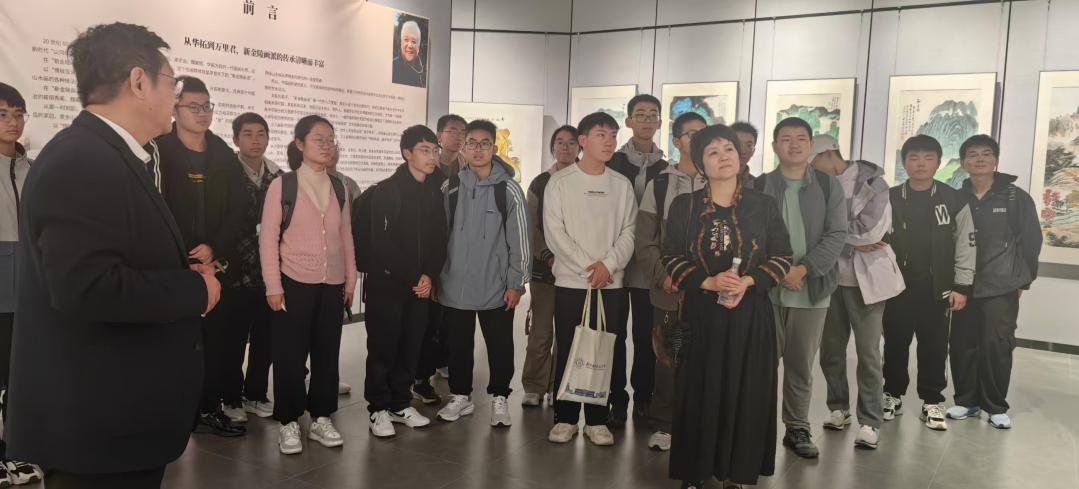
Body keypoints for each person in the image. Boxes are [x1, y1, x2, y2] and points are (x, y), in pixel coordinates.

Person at [6, 22, 220, 488]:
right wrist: (195, 289)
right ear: (139, 81)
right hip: (98, 430)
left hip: (116, 419)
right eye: (172, 83)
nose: (175, 98)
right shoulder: (83, 160)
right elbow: (87, 288)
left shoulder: (107, 154)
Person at [663, 124, 792, 489]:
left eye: (729, 150)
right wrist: (707, 282)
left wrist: (747, 282)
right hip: (702, 315)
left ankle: (735, 472)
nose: (723, 157)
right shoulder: (685, 205)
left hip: (750, 316)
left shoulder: (763, 205)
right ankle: (695, 472)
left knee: (746, 390)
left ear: (740, 156)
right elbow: (670, 255)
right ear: (700, 164)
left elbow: (783, 256)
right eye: (713, 152)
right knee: (699, 391)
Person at [155, 75, 250, 436]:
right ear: (175, 109)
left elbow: (239, 208)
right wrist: (184, 252)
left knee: (216, 340)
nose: (202, 113)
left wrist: (214, 248)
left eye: (206, 106)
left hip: (216, 264)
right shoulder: (158, 151)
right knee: (173, 340)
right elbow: (153, 207)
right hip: (172, 263)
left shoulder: (223, 154)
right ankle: (173, 411)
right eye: (193, 106)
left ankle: (209, 407)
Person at [260, 115, 356, 454]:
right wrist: (273, 286)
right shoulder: (283, 186)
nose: (327, 145)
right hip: (293, 280)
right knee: (290, 353)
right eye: (319, 139)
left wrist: (350, 278)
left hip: (332, 283)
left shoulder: (339, 187)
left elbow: (346, 235)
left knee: (327, 352)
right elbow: (268, 239)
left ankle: (321, 417)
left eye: (331, 139)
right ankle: (288, 420)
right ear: (299, 144)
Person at [757, 117, 847, 459]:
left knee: (800, 366)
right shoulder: (759, 185)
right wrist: (778, 271)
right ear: (774, 146)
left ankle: (797, 427)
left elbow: (837, 234)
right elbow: (750, 236)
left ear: (811, 146)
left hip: (811, 289)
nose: (793, 145)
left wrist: (804, 269)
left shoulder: (828, 185)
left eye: (800, 139)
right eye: (785, 138)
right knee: (761, 364)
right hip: (767, 291)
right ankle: (757, 427)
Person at [544, 112, 635, 446]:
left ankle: (597, 420)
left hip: (611, 284)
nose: (609, 141)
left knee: (604, 350)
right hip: (572, 282)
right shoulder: (560, 182)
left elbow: (630, 231)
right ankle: (565, 417)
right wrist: (589, 266)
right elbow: (555, 234)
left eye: (612, 134)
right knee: (569, 347)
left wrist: (607, 265)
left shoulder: (621, 185)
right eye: (601, 134)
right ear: (583, 141)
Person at [810, 134, 905, 450]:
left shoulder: (873, 183)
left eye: (813, 160)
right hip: (830, 279)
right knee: (830, 351)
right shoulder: (816, 184)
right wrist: (842, 240)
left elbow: (872, 232)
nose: (810, 167)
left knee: (868, 353)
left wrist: (831, 237)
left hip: (867, 280)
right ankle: (838, 407)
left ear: (828, 153)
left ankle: (870, 420)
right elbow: (810, 231)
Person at [436, 119, 531, 427]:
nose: (478, 149)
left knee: (500, 345)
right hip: (456, 284)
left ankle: (500, 397)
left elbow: (521, 239)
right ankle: (460, 395)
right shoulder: (450, 188)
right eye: (472, 143)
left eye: (485, 143)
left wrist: (516, 282)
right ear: (463, 147)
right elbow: (439, 237)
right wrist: (437, 276)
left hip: (497, 285)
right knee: (458, 345)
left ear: (494, 148)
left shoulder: (509, 190)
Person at [882, 135, 976, 431]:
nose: (920, 164)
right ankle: (892, 394)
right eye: (913, 158)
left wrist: (961, 286)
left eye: (928, 158)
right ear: (904, 163)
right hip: (897, 287)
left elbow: (966, 244)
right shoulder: (890, 197)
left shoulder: (953, 199)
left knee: (934, 346)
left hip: (938, 288)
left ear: (938, 162)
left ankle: (932, 400)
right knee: (895, 342)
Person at [948, 134, 1041, 430]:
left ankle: (996, 406)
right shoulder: (956, 197)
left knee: (996, 345)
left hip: (1001, 285)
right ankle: (966, 400)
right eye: (972, 154)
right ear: (963, 162)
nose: (979, 159)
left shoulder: (1015, 198)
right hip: (964, 285)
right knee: (962, 343)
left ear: (996, 160)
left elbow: (1031, 241)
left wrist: (1023, 281)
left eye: (986, 154)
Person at [362, 125, 448, 438]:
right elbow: (381, 243)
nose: (432, 156)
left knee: (412, 346)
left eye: (435, 150)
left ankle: (400, 403)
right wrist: (416, 276)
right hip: (388, 285)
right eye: (425, 150)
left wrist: (429, 275)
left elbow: (440, 239)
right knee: (383, 347)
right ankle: (378, 408)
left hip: (421, 286)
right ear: (407, 153)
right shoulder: (387, 190)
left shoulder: (434, 191)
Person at [634, 112, 707, 452]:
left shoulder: (720, 180)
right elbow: (645, 240)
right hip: (669, 289)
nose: (697, 139)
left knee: (706, 356)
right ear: (676, 141)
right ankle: (664, 424)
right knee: (667, 355)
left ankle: (700, 423)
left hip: (709, 290)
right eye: (690, 134)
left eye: (703, 133)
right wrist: (662, 276)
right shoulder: (659, 185)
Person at [606, 94, 668, 426]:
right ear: (628, 121)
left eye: (652, 114)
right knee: (613, 335)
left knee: (647, 336)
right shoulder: (613, 162)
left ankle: (645, 397)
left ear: (660, 122)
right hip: (615, 264)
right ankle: (616, 398)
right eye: (640, 114)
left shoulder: (667, 168)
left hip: (648, 267)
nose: (646, 120)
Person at [221, 112, 284, 423]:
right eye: (247, 134)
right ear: (235, 139)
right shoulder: (225, 173)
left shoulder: (278, 176)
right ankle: (230, 397)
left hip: (267, 272)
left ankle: (256, 393)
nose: (255, 140)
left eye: (261, 134)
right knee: (232, 340)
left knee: (266, 338)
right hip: (234, 270)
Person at [0, 82, 44, 487]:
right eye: (2, 115)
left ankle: (15, 452)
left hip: (28, 287)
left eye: (18, 114)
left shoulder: (33, 168)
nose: (12, 122)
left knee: (19, 375)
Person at [411, 113, 469, 403]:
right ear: (439, 135)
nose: (458, 137)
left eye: (462, 132)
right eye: (452, 131)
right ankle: (419, 377)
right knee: (426, 320)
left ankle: (441, 361)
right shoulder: (428, 172)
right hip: (431, 257)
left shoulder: (469, 169)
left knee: (448, 318)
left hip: (457, 255)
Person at [521, 125, 579, 407]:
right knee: (541, 332)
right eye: (559, 142)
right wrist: (547, 255)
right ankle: (534, 386)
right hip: (544, 271)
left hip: (577, 272)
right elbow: (531, 225)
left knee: (569, 334)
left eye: (571, 142)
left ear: (580, 146)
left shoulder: (586, 179)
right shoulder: (540, 183)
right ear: (552, 147)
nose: (565, 148)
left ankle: (560, 386)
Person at [392, 19, 426, 88]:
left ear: (418, 47)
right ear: (401, 43)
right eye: (406, 40)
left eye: (414, 41)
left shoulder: (424, 69)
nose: (410, 46)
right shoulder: (393, 67)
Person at [730, 121, 758, 187]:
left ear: (753, 151)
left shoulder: (757, 186)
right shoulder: (712, 180)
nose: (743, 151)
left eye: (749, 145)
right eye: (738, 144)